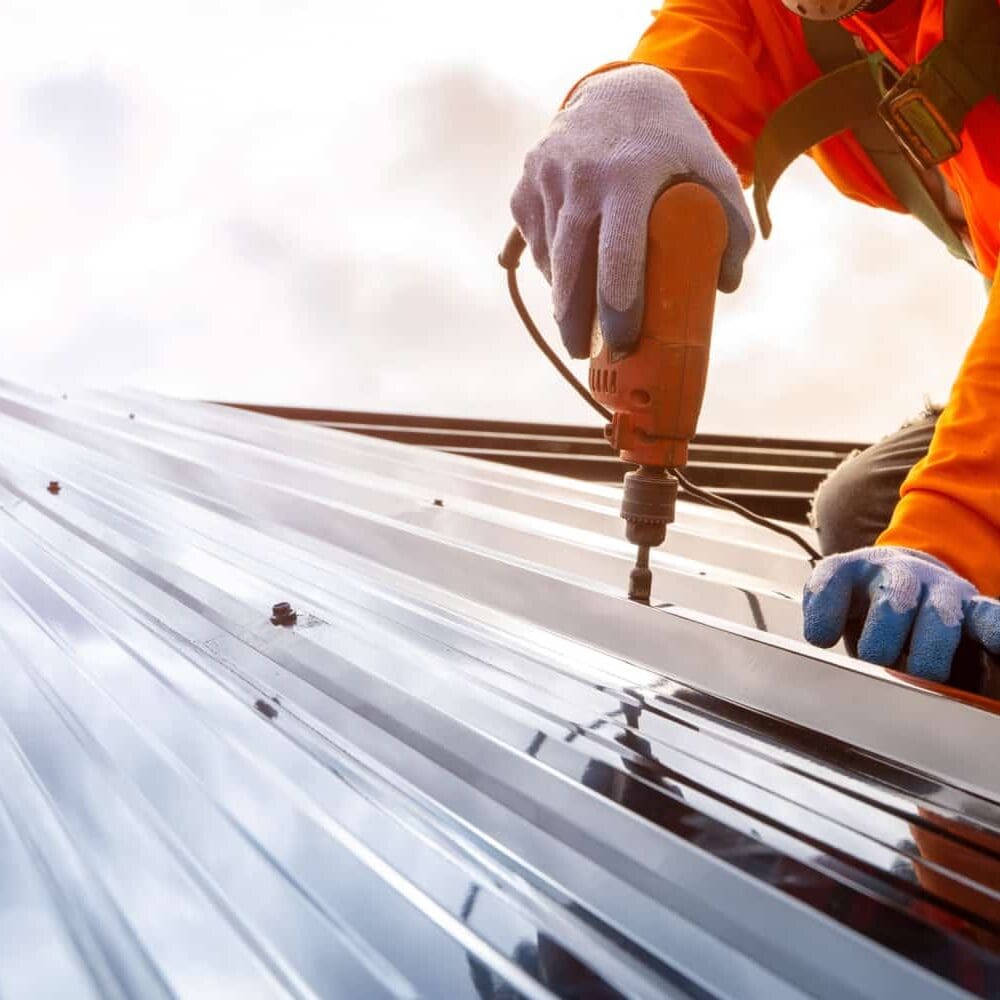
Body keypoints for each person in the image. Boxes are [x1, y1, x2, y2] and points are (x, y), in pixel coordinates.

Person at [509, 0, 1000, 683]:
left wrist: (956, 528)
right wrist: (643, 91)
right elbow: (724, 36)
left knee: (939, 576)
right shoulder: (806, 18)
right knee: (861, 510)